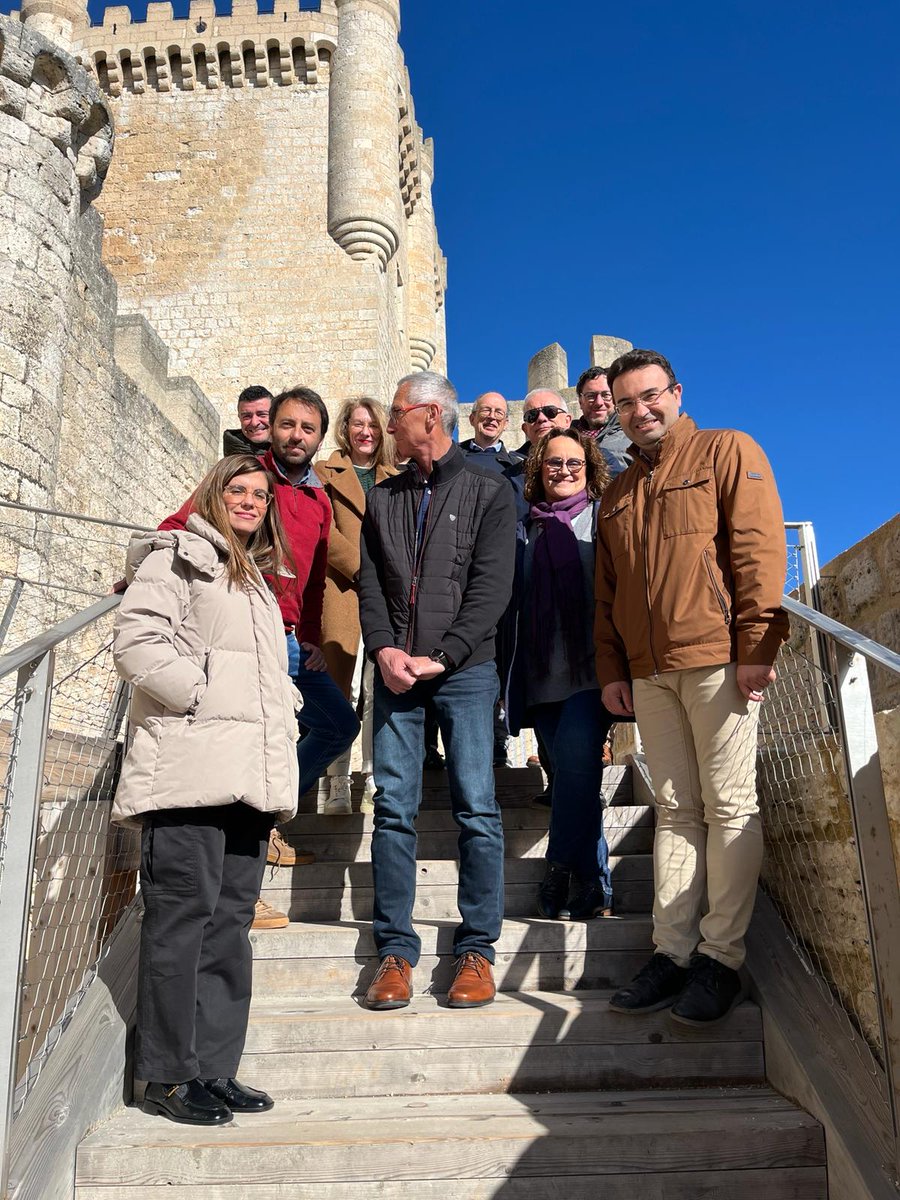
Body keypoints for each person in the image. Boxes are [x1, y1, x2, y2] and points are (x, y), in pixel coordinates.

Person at [595, 349, 789, 1024]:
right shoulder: (616, 494)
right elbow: (608, 594)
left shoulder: (726, 451)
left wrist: (757, 644)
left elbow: (758, 549)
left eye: (651, 396)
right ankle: (672, 952)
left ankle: (720, 960)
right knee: (677, 811)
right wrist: (613, 669)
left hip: (715, 658)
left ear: (676, 393)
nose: (640, 411)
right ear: (614, 411)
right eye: (626, 402)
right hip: (648, 673)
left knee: (729, 807)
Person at [112, 455, 299, 1126]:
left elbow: (262, 680)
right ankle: (165, 1075)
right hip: (188, 767)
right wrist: (199, 695)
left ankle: (214, 1067)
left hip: (247, 776)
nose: (249, 501)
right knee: (181, 919)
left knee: (229, 926)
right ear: (212, 495)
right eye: (237, 490)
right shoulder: (175, 555)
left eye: (259, 494)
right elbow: (136, 644)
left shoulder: (258, 585)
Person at [161, 386, 359, 929]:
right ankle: (241, 894)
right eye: (289, 425)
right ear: (271, 426)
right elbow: (180, 525)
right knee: (249, 748)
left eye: (308, 429)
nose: (297, 436)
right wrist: (146, 572)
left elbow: (316, 579)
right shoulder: (246, 478)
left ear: (320, 437)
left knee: (338, 726)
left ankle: (269, 821)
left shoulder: (319, 501)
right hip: (238, 632)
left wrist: (313, 637)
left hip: (290, 639)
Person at [358, 370, 516, 1011]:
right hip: (397, 671)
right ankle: (394, 951)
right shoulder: (384, 497)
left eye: (394, 413)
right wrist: (384, 649)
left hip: (467, 671)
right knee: (393, 809)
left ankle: (476, 949)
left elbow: (492, 589)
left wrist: (443, 656)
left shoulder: (490, 491)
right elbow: (370, 585)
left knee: (476, 806)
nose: (387, 424)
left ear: (427, 416)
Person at [504, 429, 615, 920]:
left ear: (589, 469)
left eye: (574, 463)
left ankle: (564, 869)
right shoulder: (524, 529)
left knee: (576, 769)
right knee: (574, 778)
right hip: (540, 675)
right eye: (553, 462)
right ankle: (594, 882)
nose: (564, 470)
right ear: (538, 469)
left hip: (592, 673)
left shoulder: (604, 521)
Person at [316, 397, 397, 814]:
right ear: (345, 429)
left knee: (376, 688)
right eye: (357, 424)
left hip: (387, 594)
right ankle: (336, 781)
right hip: (343, 589)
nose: (365, 432)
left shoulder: (396, 475)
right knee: (340, 684)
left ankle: (371, 779)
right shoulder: (324, 472)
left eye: (373, 425)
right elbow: (322, 531)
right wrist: (363, 570)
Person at [571, 366, 631, 475]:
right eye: (591, 396)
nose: (599, 402)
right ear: (580, 401)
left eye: (606, 395)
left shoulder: (633, 436)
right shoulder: (566, 439)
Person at [515, 388, 572, 457]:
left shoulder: (587, 460)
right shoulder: (511, 466)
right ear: (525, 429)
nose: (541, 418)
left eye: (550, 411)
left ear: (567, 421)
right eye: (532, 415)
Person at [223, 385, 273, 457]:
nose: (254, 423)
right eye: (247, 416)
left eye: (262, 414)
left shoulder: (288, 457)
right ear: (239, 418)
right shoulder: (231, 465)